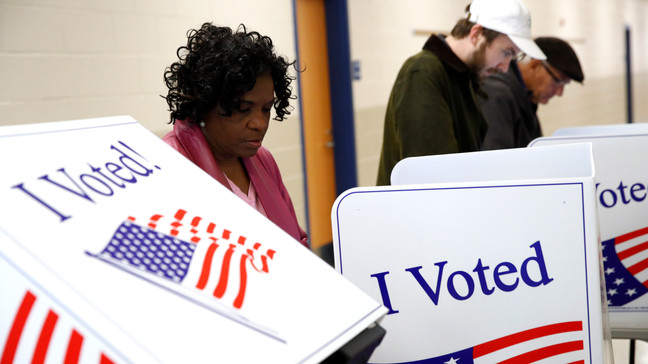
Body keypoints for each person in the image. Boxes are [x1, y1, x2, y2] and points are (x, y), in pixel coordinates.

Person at [162, 23, 308, 248]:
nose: (259, 124)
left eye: (266, 108)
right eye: (242, 108)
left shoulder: (263, 159)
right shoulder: (169, 165)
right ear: (204, 102)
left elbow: (297, 241)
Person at [376, 0, 546, 186]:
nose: (505, 68)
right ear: (476, 34)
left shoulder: (465, 79)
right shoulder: (423, 72)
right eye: (506, 52)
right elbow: (430, 176)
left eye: (513, 57)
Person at [479, 37, 585, 149]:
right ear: (534, 66)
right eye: (558, 81)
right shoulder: (497, 96)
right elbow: (495, 159)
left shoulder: (525, 96)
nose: (560, 93)